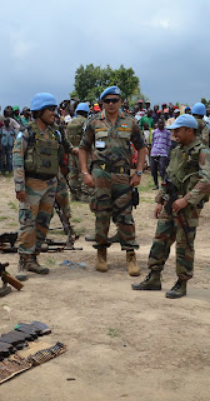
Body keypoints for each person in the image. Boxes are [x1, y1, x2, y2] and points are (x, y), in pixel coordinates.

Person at [132, 114, 210, 299]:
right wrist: (160, 200)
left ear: (189, 131)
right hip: (171, 203)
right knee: (160, 239)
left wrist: (186, 200)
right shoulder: (177, 151)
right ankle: (154, 277)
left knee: (184, 244)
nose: (174, 133)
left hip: (188, 207)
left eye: (177, 130)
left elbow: (207, 180)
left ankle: (182, 283)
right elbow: (169, 176)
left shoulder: (203, 152)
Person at [78, 86, 146, 276]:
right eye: (107, 101)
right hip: (100, 174)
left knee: (126, 216)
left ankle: (131, 255)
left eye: (114, 100)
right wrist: (85, 173)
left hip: (123, 176)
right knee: (101, 214)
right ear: (102, 103)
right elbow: (83, 148)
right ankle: (101, 253)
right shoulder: (93, 123)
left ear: (121, 101)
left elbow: (141, 148)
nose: (111, 104)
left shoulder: (131, 122)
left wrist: (138, 172)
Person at [13, 93, 77, 280]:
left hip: (50, 184)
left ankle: (34, 259)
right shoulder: (27, 133)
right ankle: (23, 261)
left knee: (43, 222)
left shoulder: (56, 132)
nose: (54, 113)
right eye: (50, 110)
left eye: (55, 110)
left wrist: (79, 151)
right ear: (39, 112)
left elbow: (68, 147)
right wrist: (19, 186)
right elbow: (17, 159)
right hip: (31, 184)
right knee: (28, 223)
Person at [65, 102, 90, 201]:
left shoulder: (71, 122)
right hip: (83, 152)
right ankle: (84, 196)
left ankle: (74, 196)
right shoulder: (86, 122)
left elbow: (66, 138)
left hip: (72, 151)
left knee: (73, 174)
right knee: (84, 172)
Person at [150, 118, 172, 190]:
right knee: (153, 170)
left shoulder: (168, 132)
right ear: (157, 124)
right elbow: (152, 142)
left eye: (162, 123)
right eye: (159, 123)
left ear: (164, 124)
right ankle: (156, 185)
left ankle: (164, 183)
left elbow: (169, 144)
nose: (161, 125)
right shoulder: (154, 132)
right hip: (154, 152)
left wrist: (168, 153)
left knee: (162, 169)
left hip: (163, 153)